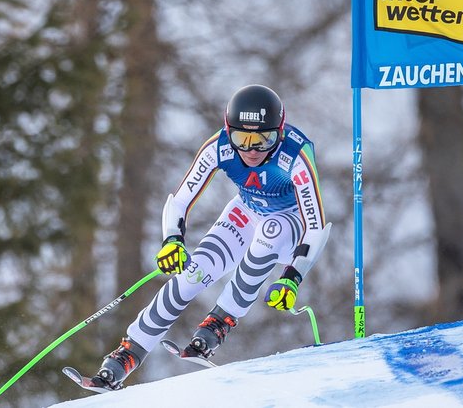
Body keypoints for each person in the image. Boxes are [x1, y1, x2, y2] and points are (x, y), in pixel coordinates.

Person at [91, 84, 331, 389]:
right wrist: (172, 241)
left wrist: (292, 276)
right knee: (193, 273)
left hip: (291, 225)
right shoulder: (219, 147)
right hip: (246, 211)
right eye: (241, 139)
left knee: (270, 233)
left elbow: (316, 226)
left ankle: (220, 322)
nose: (251, 150)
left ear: (279, 132)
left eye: (262, 140)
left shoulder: (295, 154)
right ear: (228, 130)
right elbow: (179, 201)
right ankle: (128, 354)